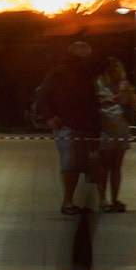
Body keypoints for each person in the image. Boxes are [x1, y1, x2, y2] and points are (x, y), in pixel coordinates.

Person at [32, 37, 104, 215]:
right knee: (70, 163)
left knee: (81, 163)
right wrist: (49, 116)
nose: (87, 55)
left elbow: (92, 102)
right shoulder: (59, 72)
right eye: (83, 52)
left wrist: (96, 127)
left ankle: (76, 201)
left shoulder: (88, 75)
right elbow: (43, 95)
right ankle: (67, 202)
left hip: (86, 125)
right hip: (66, 125)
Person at [95, 57, 136, 212]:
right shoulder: (99, 84)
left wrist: (129, 94)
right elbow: (97, 103)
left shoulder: (124, 84)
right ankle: (102, 200)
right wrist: (115, 97)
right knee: (104, 167)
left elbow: (133, 106)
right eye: (111, 68)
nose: (115, 71)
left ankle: (115, 199)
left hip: (121, 128)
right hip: (105, 129)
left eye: (117, 68)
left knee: (117, 166)